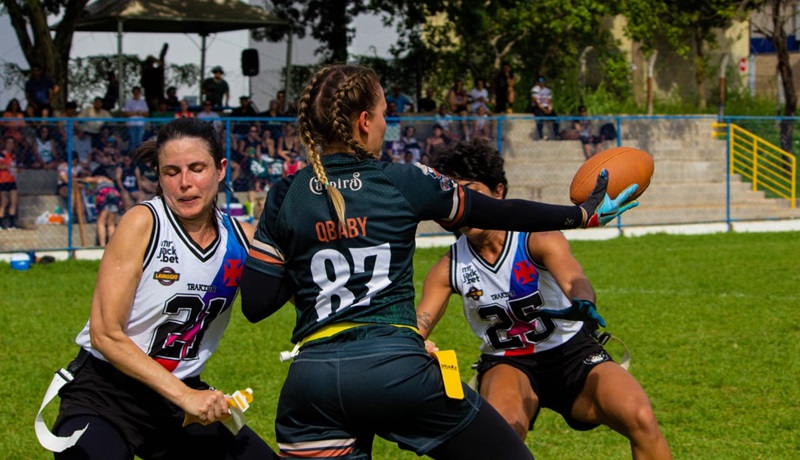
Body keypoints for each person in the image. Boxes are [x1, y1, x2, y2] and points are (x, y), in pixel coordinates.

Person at [239, 64, 639, 459]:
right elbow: (500, 212)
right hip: (394, 369)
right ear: (364, 121)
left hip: (311, 385)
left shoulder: (284, 194)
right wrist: (582, 215)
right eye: (383, 115)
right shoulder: (401, 180)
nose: (383, 124)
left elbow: (257, 304)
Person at [416, 140, 673, 459]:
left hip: (572, 352)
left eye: (472, 191)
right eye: (455, 194)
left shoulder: (536, 236)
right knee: (502, 435)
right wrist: (415, 343)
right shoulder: (447, 267)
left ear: (498, 192)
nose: (465, 202)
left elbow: (573, 278)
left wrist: (585, 304)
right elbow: (417, 327)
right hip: (508, 361)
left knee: (640, 417)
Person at [41, 118, 278, 459]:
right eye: (171, 172)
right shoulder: (144, 222)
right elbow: (105, 334)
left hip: (178, 401)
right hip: (108, 395)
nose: (185, 183)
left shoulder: (241, 239)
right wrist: (185, 396)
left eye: (197, 168)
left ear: (221, 169)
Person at [79, 152, 121, 246]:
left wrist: (79, 179)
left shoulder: (100, 178)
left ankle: (102, 244)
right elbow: (93, 190)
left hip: (105, 195)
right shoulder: (110, 181)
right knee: (110, 223)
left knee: (101, 221)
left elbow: (89, 180)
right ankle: (112, 245)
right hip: (114, 195)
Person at [0, 136, 19, 229]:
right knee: (4, 201)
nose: (10, 145)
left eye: (12, 143)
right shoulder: (2, 154)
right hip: (3, 179)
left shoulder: (13, 155)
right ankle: (1, 222)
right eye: (8, 143)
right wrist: (7, 167)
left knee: (14, 201)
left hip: (12, 179)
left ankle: (12, 223)